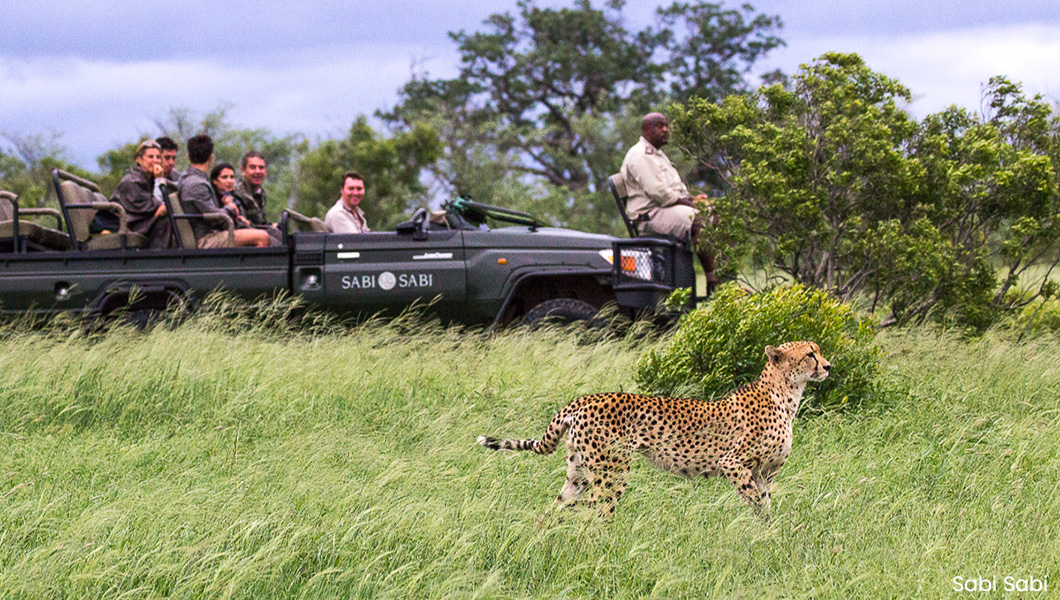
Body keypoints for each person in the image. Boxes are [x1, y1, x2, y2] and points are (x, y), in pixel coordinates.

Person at [619, 112, 719, 291]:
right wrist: (691, 204)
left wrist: (693, 199)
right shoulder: (640, 155)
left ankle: (725, 275)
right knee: (699, 219)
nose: (666, 130)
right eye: (659, 126)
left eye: (666, 125)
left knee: (719, 213)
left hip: (665, 209)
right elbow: (660, 195)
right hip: (649, 216)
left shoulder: (657, 154)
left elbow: (674, 189)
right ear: (646, 130)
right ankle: (714, 282)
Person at [178, 134, 270, 249]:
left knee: (257, 232)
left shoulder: (185, 178)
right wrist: (230, 208)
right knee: (262, 237)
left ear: (188, 156)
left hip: (210, 233)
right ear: (211, 157)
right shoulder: (197, 184)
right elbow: (215, 219)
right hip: (207, 239)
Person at [91, 139, 173, 249]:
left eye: (158, 157)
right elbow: (153, 206)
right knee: (164, 221)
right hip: (122, 223)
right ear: (139, 160)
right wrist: (159, 181)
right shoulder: (131, 181)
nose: (155, 161)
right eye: (150, 157)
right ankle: (156, 260)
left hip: (136, 221)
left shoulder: (150, 179)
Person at [232, 151, 269, 226]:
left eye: (261, 168)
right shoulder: (236, 191)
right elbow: (241, 222)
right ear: (243, 171)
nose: (258, 171)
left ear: (265, 171)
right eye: (253, 167)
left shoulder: (261, 193)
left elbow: (260, 221)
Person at [154, 136, 182, 206]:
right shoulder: (145, 179)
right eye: (167, 158)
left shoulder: (177, 177)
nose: (171, 163)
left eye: (173, 158)